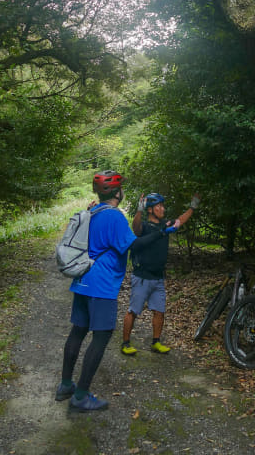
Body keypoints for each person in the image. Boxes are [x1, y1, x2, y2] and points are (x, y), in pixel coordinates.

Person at [55, 170, 167, 412]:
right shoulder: (115, 216)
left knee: (78, 332)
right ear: (117, 192)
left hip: (83, 280)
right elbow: (133, 244)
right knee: (102, 336)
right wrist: (159, 233)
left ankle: (66, 385)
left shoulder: (93, 210)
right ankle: (81, 396)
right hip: (102, 284)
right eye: (121, 188)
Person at [121, 191, 200, 356]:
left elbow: (179, 221)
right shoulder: (144, 226)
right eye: (159, 206)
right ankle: (125, 343)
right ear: (150, 209)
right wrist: (139, 210)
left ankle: (156, 342)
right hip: (142, 276)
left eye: (163, 206)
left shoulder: (165, 224)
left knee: (159, 311)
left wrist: (192, 207)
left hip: (158, 277)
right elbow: (135, 228)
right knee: (133, 311)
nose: (163, 209)